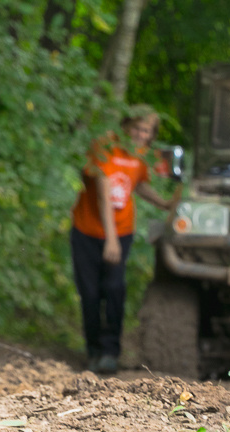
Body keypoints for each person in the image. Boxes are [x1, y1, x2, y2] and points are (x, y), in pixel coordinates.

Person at [70, 108, 173, 375]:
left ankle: (110, 352)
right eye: (137, 128)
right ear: (126, 126)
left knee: (115, 289)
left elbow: (137, 185)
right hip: (88, 231)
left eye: (146, 131)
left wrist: (164, 203)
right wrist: (110, 241)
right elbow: (104, 194)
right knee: (90, 293)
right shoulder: (105, 146)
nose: (140, 135)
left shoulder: (140, 156)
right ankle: (93, 351)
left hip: (122, 230)